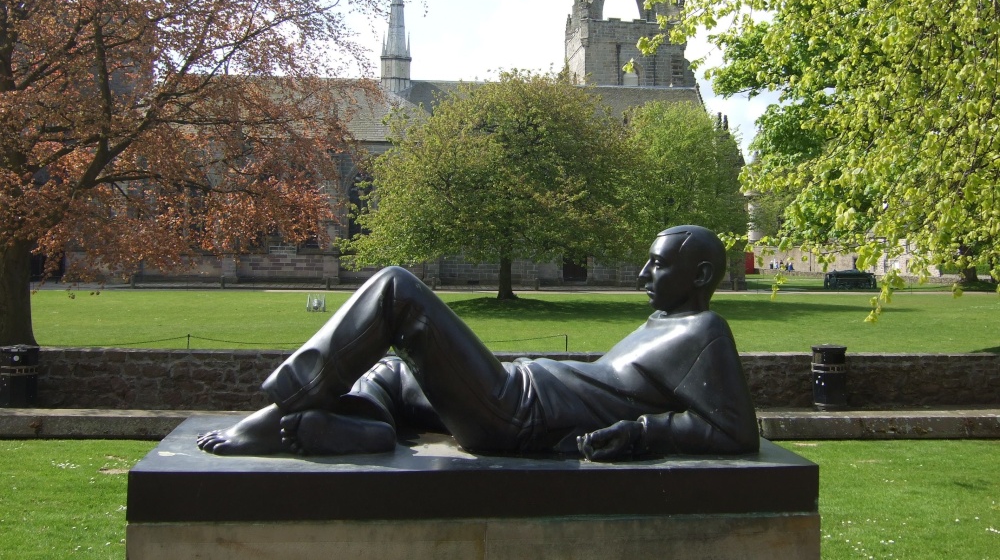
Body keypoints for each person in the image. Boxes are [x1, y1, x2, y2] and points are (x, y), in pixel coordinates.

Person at [197, 225, 759, 461]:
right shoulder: (661, 324)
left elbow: (734, 432)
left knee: (399, 291)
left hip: (516, 413)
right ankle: (363, 425)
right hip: (518, 390)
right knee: (390, 373)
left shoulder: (702, 332)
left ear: (702, 274)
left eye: (657, 265)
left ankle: (283, 408)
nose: (642, 274)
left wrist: (638, 434)